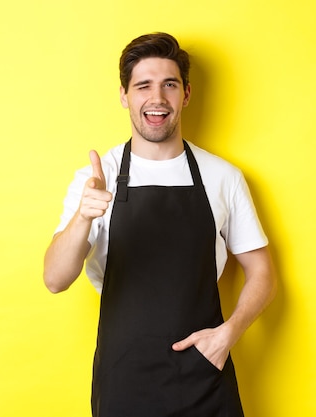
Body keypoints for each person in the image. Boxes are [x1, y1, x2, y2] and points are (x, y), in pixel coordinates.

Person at [43, 32, 276, 417]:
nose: (157, 98)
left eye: (169, 84)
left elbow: (263, 272)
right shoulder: (97, 178)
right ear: (124, 96)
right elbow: (54, 279)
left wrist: (228, 335)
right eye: (143, 86)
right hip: (124, 380)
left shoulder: (223, 177)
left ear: (186, 94)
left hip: (205, 375)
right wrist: (83, 216)